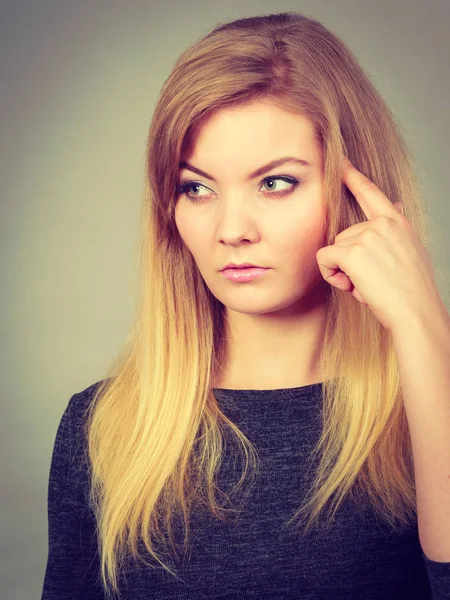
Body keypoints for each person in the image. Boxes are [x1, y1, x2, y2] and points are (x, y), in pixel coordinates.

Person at [41, 11, 450, 599]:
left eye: (275, 182)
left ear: (358, 191)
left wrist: (422, 325)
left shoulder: (423, 411)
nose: (231, 229)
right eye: (197, 187)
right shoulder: (102, 429)